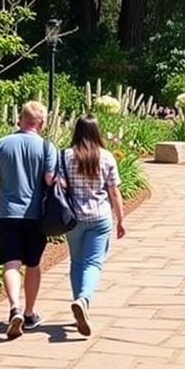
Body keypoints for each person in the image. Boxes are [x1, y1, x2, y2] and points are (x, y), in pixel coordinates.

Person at [0, 101, 57, 339]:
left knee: (11, 263)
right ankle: (29, 313)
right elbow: (49, 180)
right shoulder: (47, 147)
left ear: (19, 119)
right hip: (35, 216)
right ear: (42, 123)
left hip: (8, 214)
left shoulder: (2, 144)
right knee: (33, 264)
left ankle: (14, 306)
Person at [60, 114, 125, 336]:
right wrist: (121, 219)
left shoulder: (66, 156)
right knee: (93, 263)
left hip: (73, 218)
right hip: (99, 217)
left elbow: (60, 186)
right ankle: (84, 299)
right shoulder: (106, 157)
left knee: (77, 262)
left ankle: (80, 302)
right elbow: (114, 191)